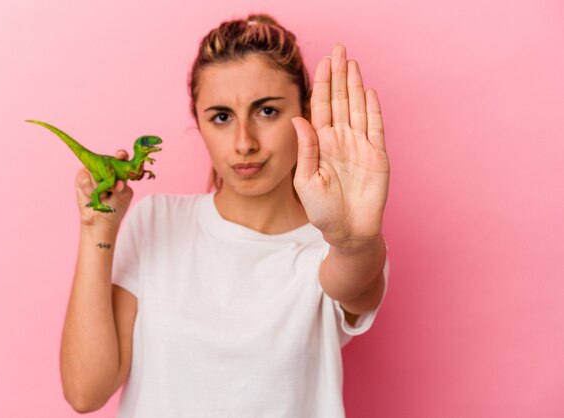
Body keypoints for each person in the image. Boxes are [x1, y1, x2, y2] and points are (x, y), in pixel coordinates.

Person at [60, 13, 390, 417]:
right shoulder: (156, 222)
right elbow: (85, 391)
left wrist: (353, 242)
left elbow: (355, 278)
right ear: (198, 124)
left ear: (305, 110)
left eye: (267, 111)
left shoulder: (336, 243)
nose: (244, 142)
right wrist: (98, 226)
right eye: (220, 117)